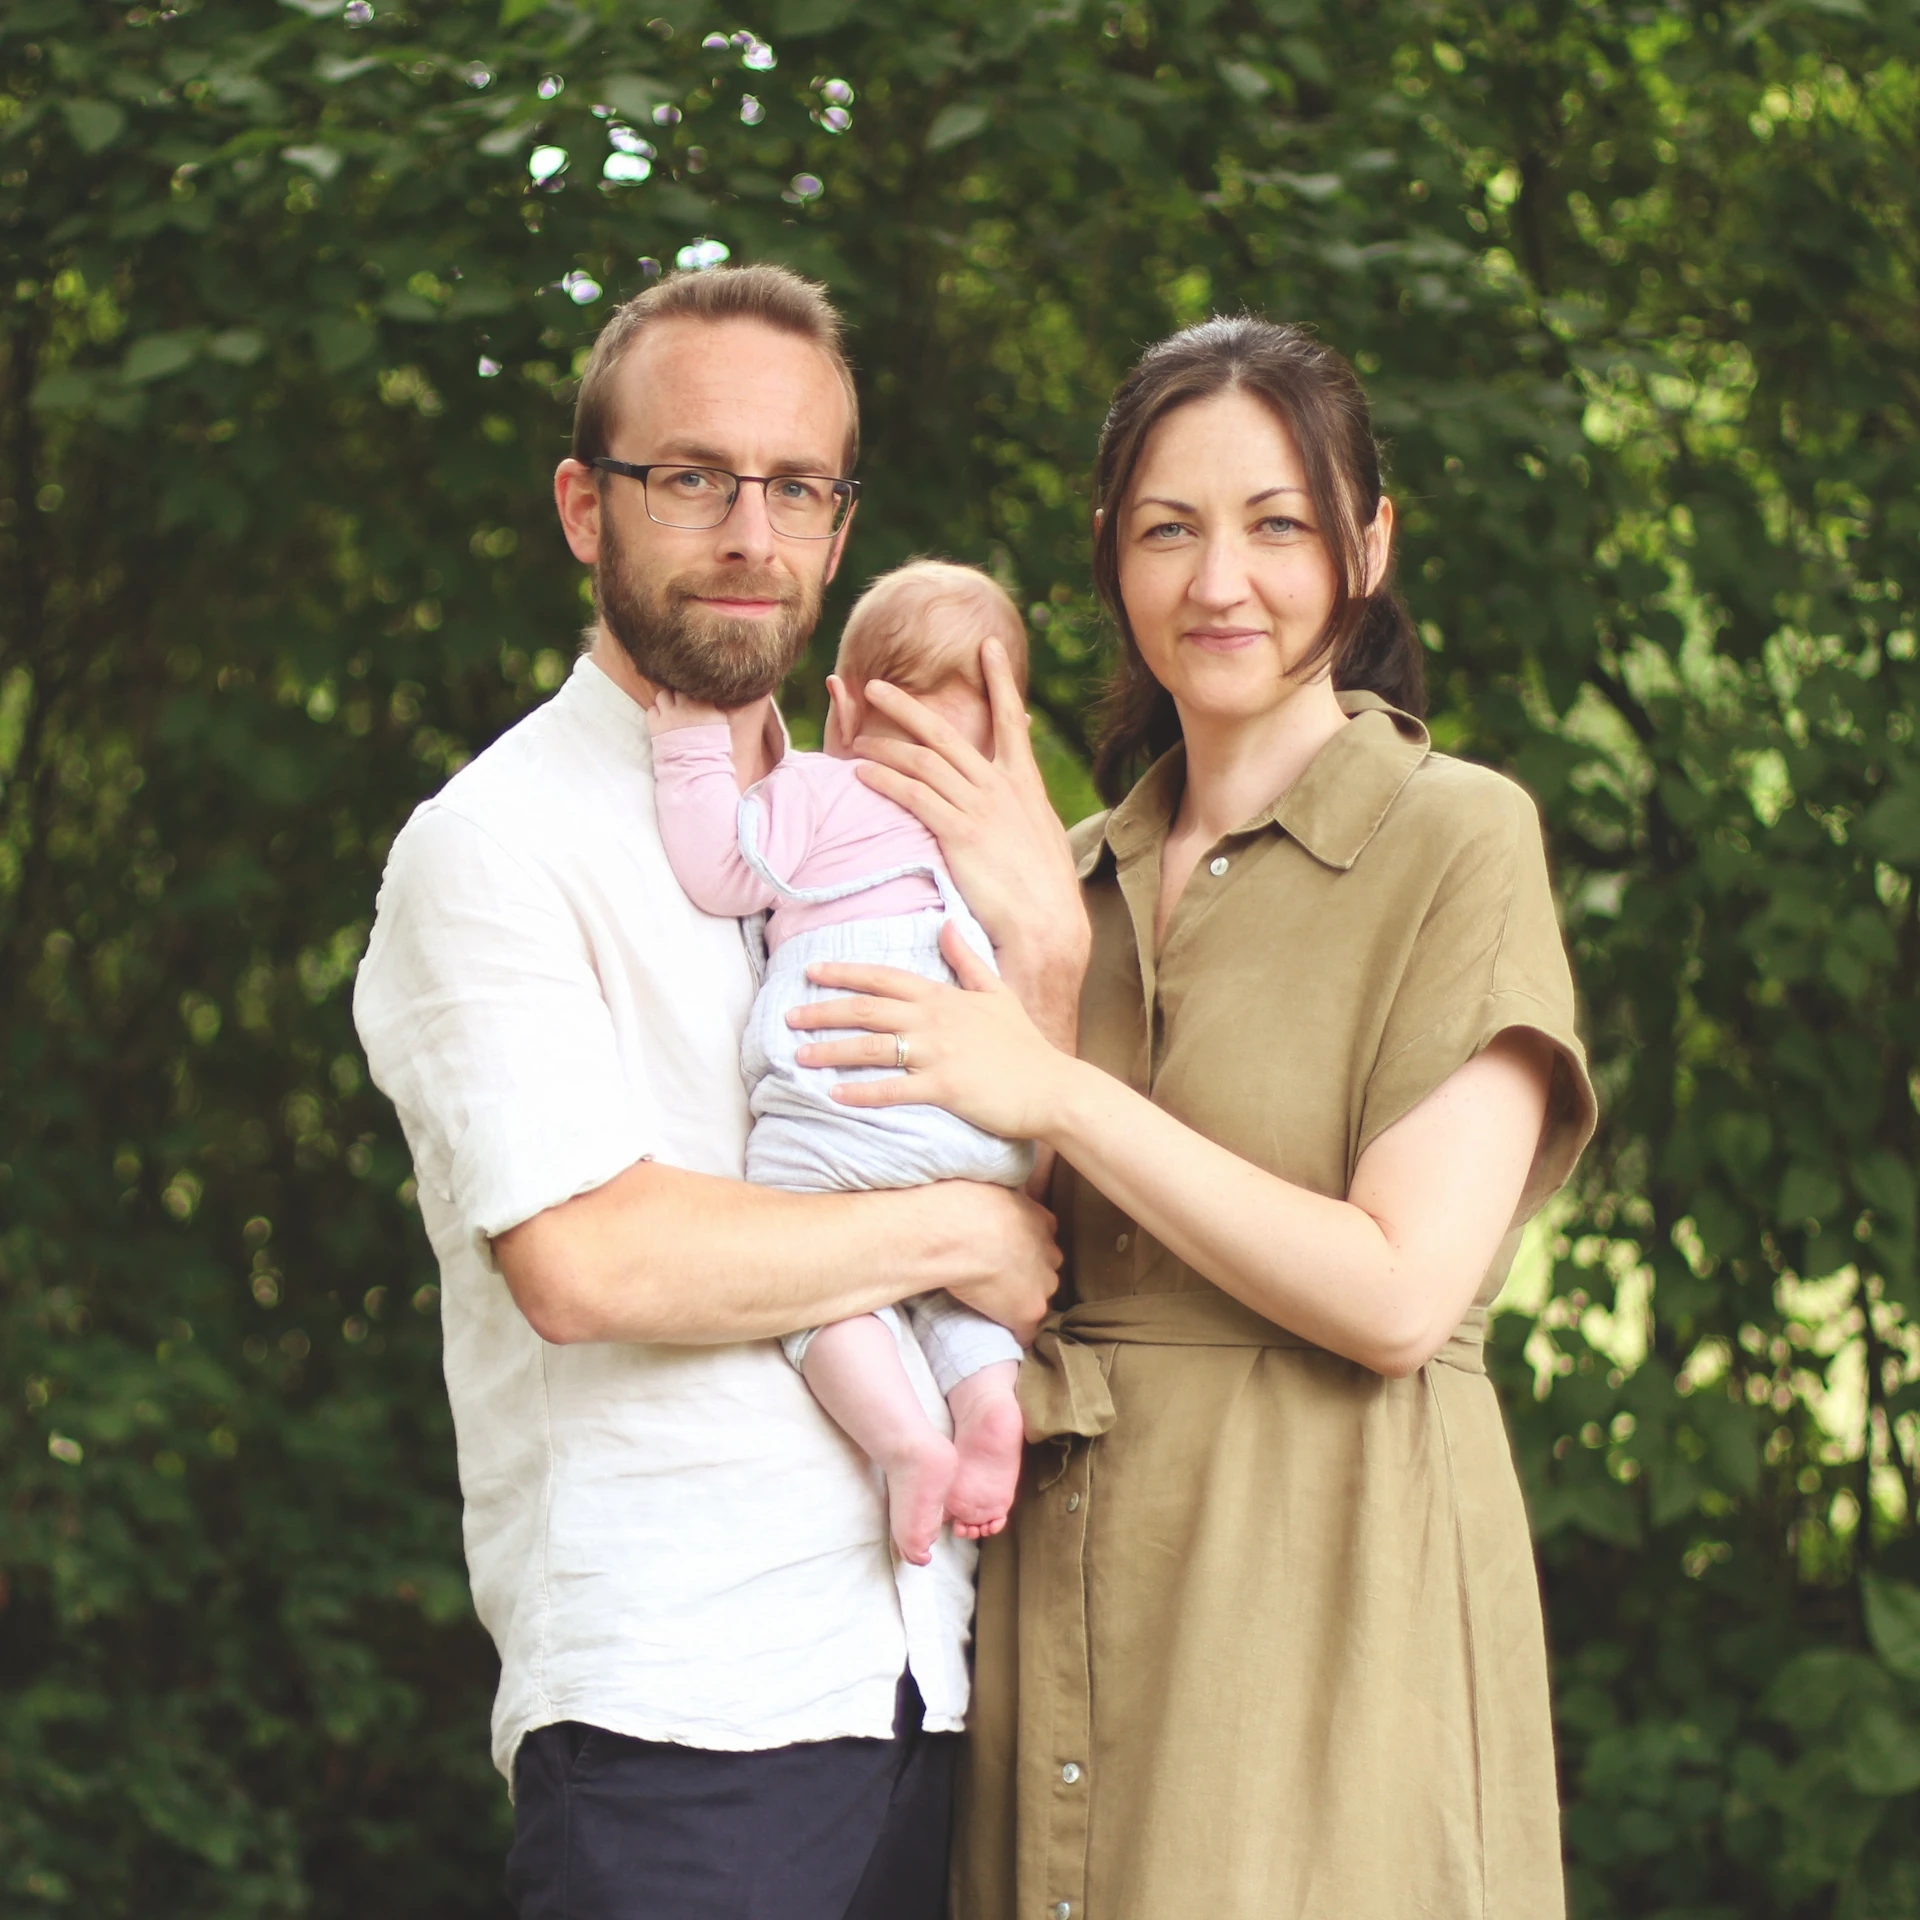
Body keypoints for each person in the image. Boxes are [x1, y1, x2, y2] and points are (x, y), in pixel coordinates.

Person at [787, 317, 1599, 1920]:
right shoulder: (1057, 878)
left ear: (1368, 544)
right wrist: (1036, 962)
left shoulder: (1457, 840)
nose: (1221, 581)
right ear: (1111, 558)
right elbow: (973, 1250)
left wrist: (1057, 1087)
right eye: (1169, 529)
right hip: (1060, 1613)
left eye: (1277, 524)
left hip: (1332, 1610)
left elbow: (1397, 1294)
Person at [352, 265, 1077, 1920]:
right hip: (679, 1734)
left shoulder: (878, 835)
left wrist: (1045, 956)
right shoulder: (496, 846)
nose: (751, 532)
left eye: (796, 486)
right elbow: (591, 1258)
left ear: (839, 527)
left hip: (927, 1692)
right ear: (584, 508)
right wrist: (956, 1229)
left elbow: (1036, 1214)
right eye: (693, 477)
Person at [647, 562, 1038, 1567]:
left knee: (812, 1261)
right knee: (941, 1287)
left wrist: (690, 747)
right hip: (972, 1124)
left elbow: (721, 871)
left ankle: (905, 1441)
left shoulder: (824, 784)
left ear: (842, 705)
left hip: (848, 1100)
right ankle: (989, 1400)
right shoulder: (995, 845)